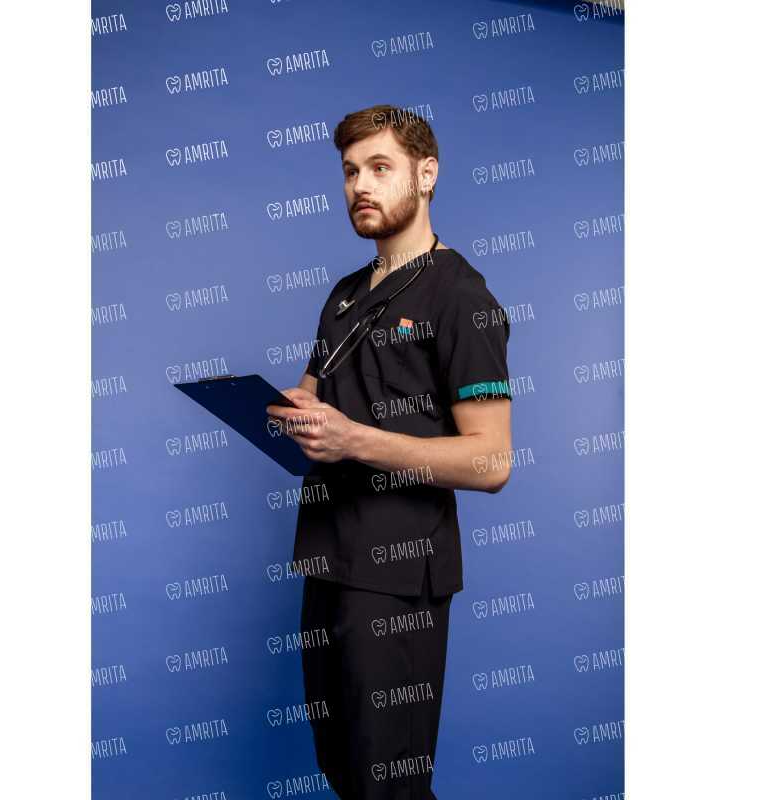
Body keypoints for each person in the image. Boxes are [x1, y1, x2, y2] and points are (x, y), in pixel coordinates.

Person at [266, 104, 513, 800]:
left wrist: (353, 439)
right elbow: (317, 397)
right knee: (342, 771)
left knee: (389, 784)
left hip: (399, 578)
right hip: (327, 557)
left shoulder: (462, 297)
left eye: (380, 167)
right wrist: (285, 410)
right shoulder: (344, 296)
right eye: (350, 172)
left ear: (426, 175)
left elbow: (492, 461)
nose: (360, 186)